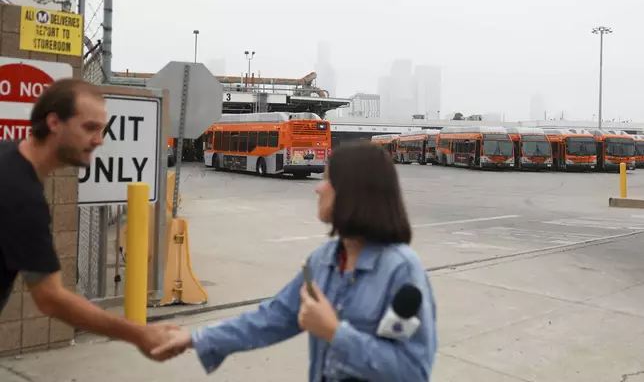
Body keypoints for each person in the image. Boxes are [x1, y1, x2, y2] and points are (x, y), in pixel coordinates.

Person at [152, 142, 438, 381]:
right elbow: (272, 317)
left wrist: (336, 333)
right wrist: (195, 339)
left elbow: (413, 370)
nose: (318, 188)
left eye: (327, 180)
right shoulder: (324, 261)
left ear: (353, 192)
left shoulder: (401, 270)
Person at [0, 78, 182, 361]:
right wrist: (140, 334)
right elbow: (50, 298)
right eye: (89, 128)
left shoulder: (7, 155)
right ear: (54, 123)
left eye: (102, 129)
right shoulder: (21, 195)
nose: (99, 140)